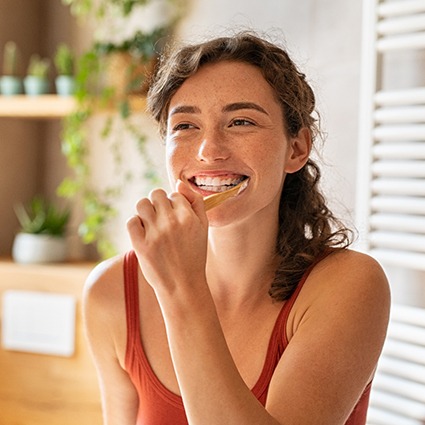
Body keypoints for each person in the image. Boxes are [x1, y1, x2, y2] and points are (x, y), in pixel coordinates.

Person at [83, 31, 390, 425]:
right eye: (185, 126)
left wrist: (181, 288)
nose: (209, 150)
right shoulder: (111, 292)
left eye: (241, 121)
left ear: (296, 149)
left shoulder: (349, 286)